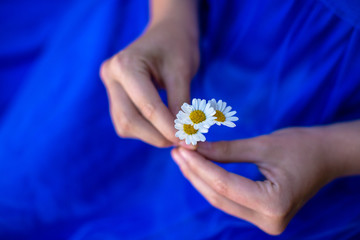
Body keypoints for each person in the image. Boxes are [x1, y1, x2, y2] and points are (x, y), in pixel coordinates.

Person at [1, 0, 360, 239]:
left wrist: (334, 152)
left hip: (338, 111)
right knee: (27, 185)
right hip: (184, 23)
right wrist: (171, 18)